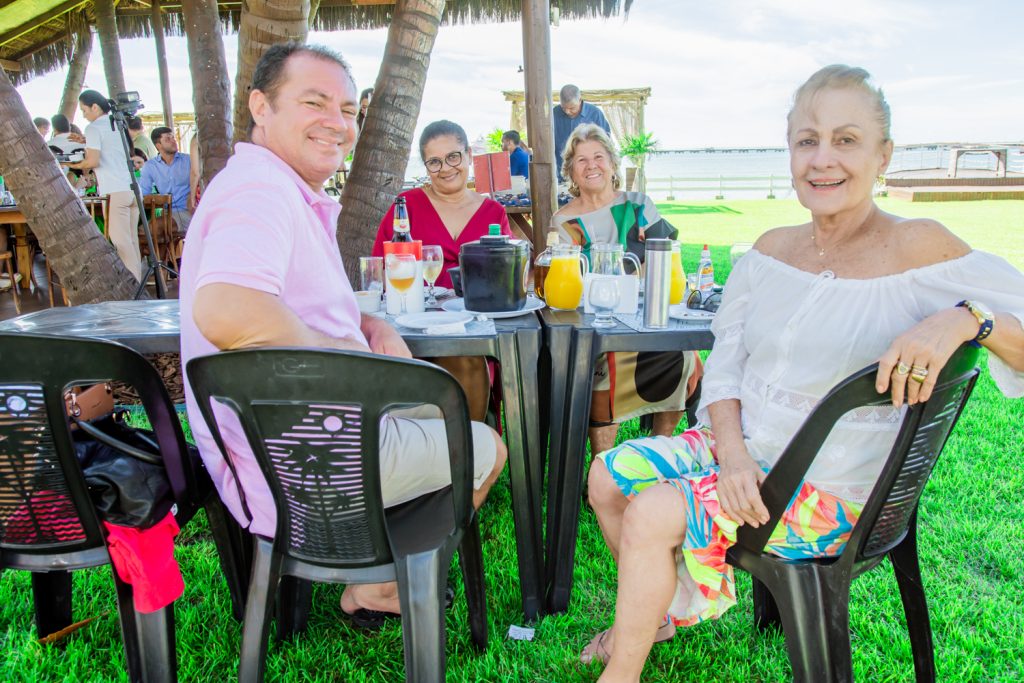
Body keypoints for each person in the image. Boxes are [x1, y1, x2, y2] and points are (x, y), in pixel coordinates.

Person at [579, 64, 1024, 681]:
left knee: (654, 512)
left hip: (831, 490)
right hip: (743, 451)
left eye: (846, 140)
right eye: (806, 140)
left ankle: (622, 670)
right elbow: (727, 366)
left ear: (883, 154)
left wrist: (968, 319)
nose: (822, 159)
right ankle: (661, 602)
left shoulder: (919, 247)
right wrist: (731, 457)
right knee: (605, 475)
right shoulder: (768, 251)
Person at [179, 42, 506, 626]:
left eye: (349, 110)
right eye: (315, 102)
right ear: (261, 106)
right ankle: (379, 583)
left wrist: (365, 323)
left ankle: (377, 562)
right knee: (486, 446)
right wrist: (343, 355)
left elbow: (288, 299)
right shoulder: (260, 192)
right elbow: (226, 308)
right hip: (307, 459)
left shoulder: (276, 188)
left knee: (443, 407)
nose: (338, 122)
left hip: (303, 434)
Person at [551, 123, 701, 457]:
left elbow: (666, 260)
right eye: (581, 160)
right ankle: (601, 464)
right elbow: (568, 283)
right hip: (596, 321)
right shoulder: (563, 222)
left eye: (599, 157)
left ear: (613, 164)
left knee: (681, 352)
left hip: (644, 313)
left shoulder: (639, 205)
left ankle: (658, 450)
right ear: (571, 172)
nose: (592, 166)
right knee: (609, 359)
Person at [372, 120, 512, 421]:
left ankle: (469, 454)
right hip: (413, 328)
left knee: (466, 358)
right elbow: (380, 274)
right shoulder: (405, 207)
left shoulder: (494, 213)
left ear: (468, 155)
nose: (446, 168)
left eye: (453, 157)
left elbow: (505, 278)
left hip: (472, 330)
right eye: (434, 162)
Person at [66, 89, 142, 281]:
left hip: (115, 190)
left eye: (84, 110)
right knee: (132, 240)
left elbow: (92, 162)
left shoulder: (93, 128)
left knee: (121, 242)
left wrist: (72, 164)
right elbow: (111, 147)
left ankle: (133, 288)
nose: (83, 115)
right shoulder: (117, 123)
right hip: (132, 190)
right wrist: (85, 141)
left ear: (94, 107)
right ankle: (138, 281)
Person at [140, 126, 193, 233]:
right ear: (158, 145)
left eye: (173, 138)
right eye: (168, 139)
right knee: (143, 230)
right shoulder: (150, 166)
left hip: (188, 212)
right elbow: (144, 194)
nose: (173, 141)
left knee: (153, 228)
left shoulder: (189, 160)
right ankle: (164, 250)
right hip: (166, 212)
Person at [553, 84, 610, 181]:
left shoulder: (595, 113)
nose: (567, 112)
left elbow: (605, 143)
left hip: (590, 172)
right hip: (562, 174)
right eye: (563, 108)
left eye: (572, 108)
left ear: (580, 100)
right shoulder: (554, 113)